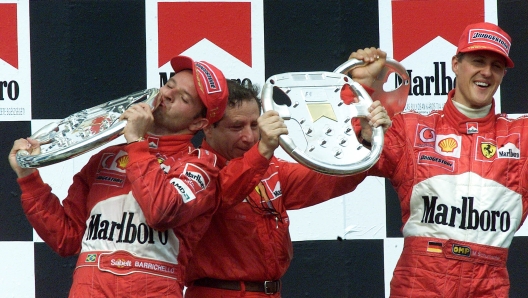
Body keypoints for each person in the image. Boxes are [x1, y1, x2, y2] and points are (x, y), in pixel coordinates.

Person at [8, 56, 229, 297]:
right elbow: (66, 238)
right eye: (170, 85)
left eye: (184, 98)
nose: (167, 95)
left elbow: (161, 212)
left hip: (153, 289)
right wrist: (28, 177)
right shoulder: (105, 158)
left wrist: (137, 142)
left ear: (199, 122)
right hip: (89, 288)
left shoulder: (200, 166)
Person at [348, 22, 524, 297]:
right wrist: (360, 87)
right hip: (419, 286)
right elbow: (344, 152)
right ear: (455, 64)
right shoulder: (411, 130)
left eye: (497, 66)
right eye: (478, 61)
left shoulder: (520, 137)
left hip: (487, 288)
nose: (487, 72)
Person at [183, 79, 392, 297]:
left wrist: (364, 140)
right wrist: (262, 150)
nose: (249, 137)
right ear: (207, 128)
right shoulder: (194, 168)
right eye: (236, 127)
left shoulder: (271, 168)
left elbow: (331, 177)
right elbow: (223, 194)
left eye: (255, 125)